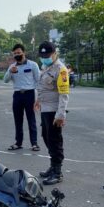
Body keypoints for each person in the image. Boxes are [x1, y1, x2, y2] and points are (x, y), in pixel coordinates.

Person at [34, 41, 69, 185]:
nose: (44, 58)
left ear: (55, 54)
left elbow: (64, 94)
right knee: (46, 137)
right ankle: (52, 166)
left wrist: (61, 115)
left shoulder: (61, 70)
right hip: (45, 108)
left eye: (47, 55)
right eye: (42, 56)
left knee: (54, 141)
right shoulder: (45, 66)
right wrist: (37, 100)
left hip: (54, 110)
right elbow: (43, 86)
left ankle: (57, 172)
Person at [3, 43, 41, 151]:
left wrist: (39, 98)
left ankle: (34, 143)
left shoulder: (33, 65)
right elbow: (5, 80)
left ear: (24, 52)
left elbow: (38, 81)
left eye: (19, 52)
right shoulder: (12, 66)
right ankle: (18, 143)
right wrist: (10, 71)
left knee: (31, 119)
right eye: (15, 53)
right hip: (17, 95)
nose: (17, 55)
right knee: (18, 120)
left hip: (29, 94)